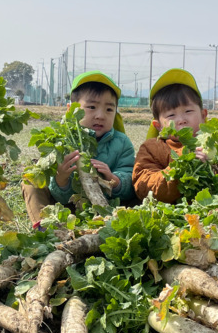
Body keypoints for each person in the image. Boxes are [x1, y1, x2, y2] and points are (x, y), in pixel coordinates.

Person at [22, 71, 136, 225]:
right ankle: (46, 229)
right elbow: (59, 196)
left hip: (110, 209)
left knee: (141, 190)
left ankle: (115, 225)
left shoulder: (122, 143)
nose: (101, 115)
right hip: (68, 211)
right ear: (71, 109)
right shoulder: (60, 143)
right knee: (31, 183)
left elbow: (129, 179)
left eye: (109, 109)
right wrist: (61, 179)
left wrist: (114, 180)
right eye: (91, 107)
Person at [132, 69, 218, 203]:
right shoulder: (151, 148)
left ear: (203, 116)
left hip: (212, 219)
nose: (181, 119)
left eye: (188, 111)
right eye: (171, 115)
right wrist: (184, 161)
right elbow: (144, 189)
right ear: (158, 126)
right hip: (169, 218)